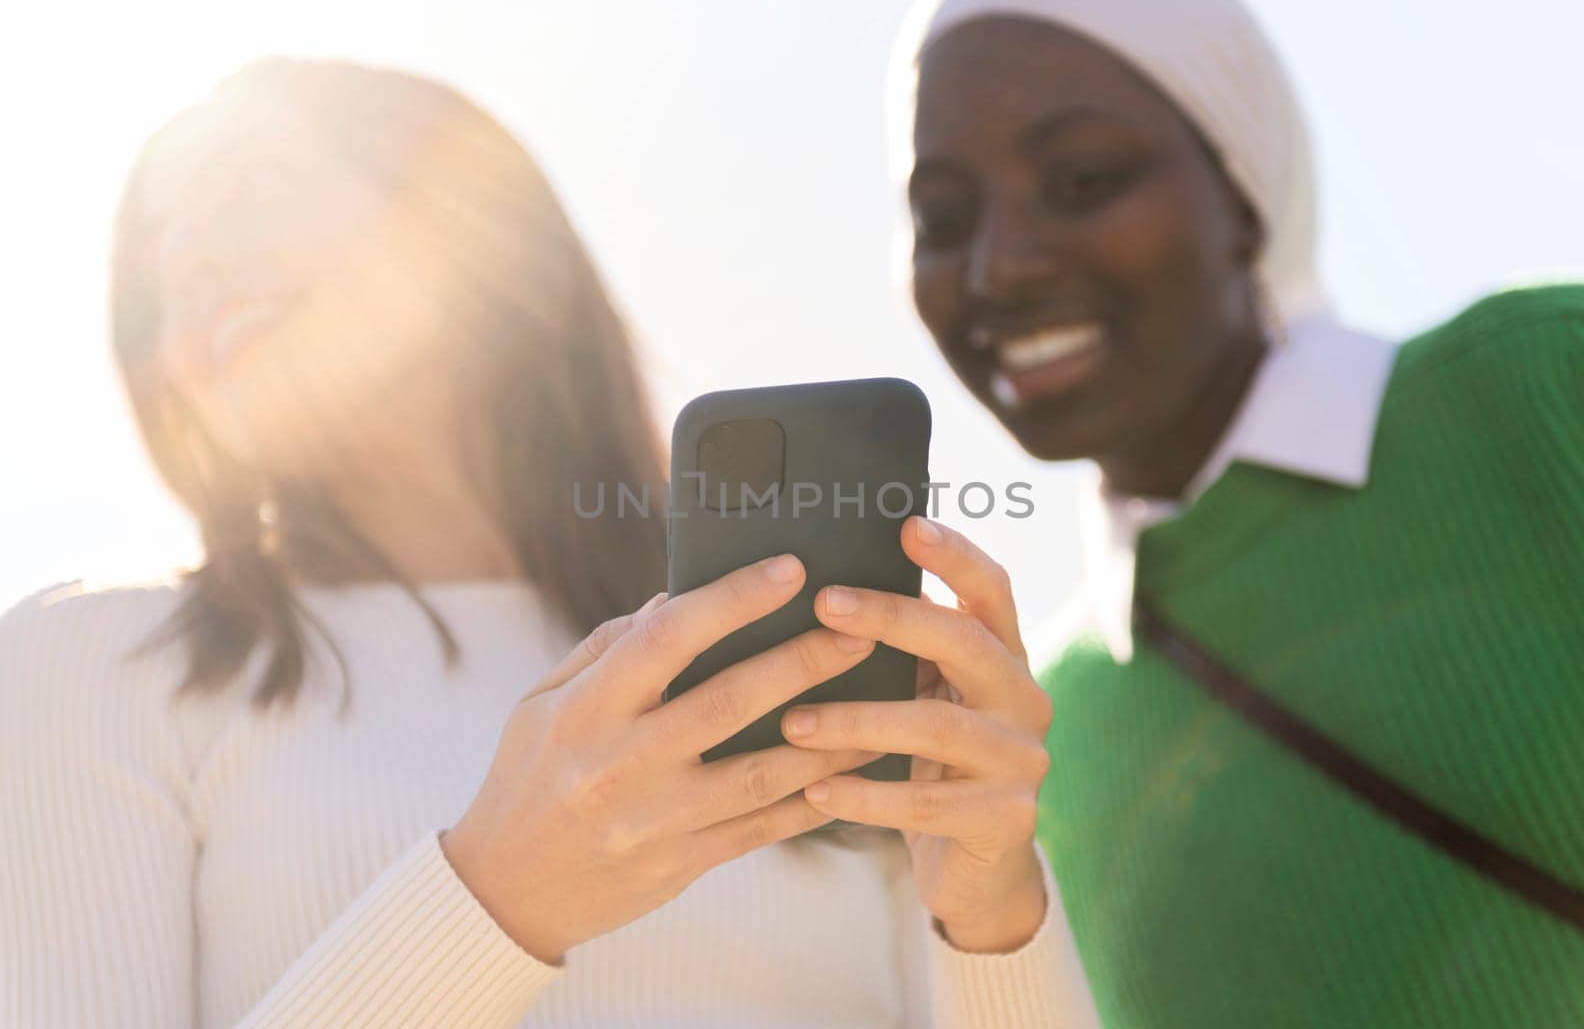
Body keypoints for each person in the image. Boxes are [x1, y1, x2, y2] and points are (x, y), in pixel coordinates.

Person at [0, 58, 1096, 1026]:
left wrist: (993, 918)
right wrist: (495, 897)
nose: (190, 265)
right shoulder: (94, 665)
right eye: (155, 268)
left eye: (253, 191)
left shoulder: (781, 634)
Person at [893, 0, 1584, 1025]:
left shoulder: (1545, 384)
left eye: (1083, 179)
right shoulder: (1039, 749)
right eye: (944, 216)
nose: (999, 266)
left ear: (1241, 190)